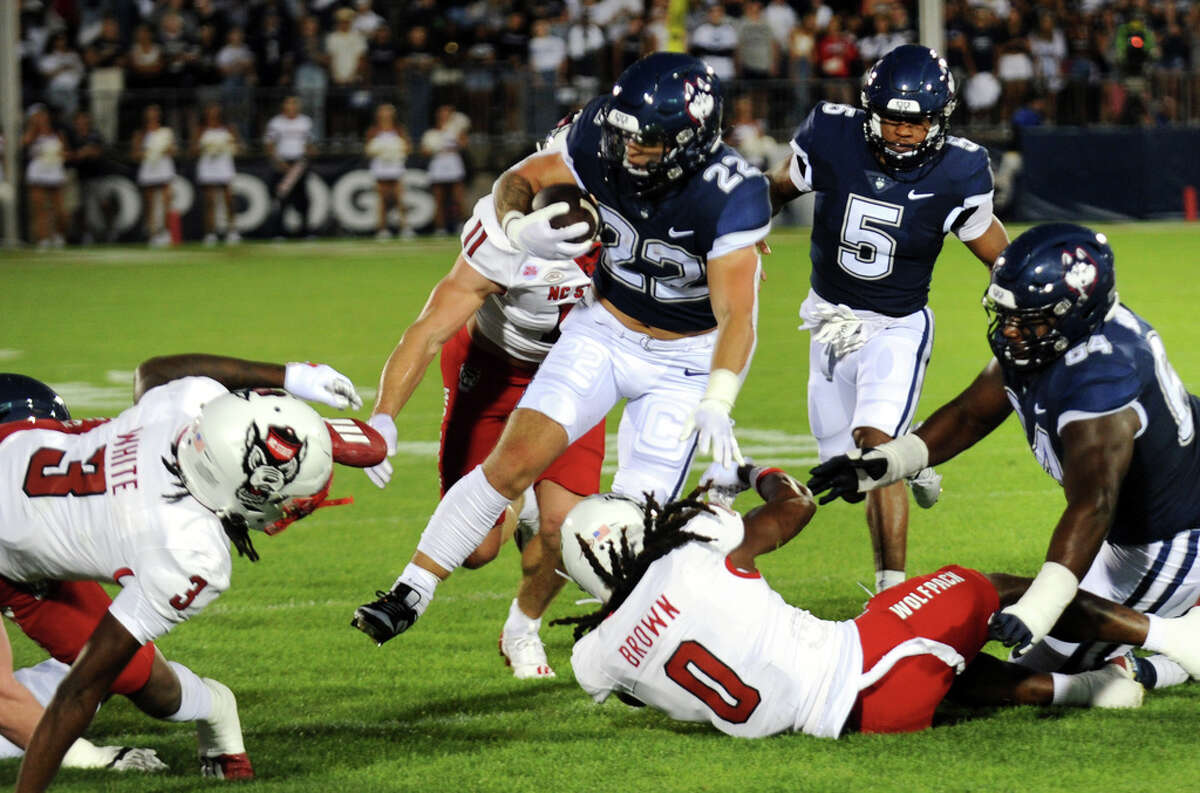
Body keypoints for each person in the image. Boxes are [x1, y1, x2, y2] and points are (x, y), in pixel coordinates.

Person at [351, 53, 770, 646]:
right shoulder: (599, 138)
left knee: (630, 525)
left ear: (690, 138)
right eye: (623, 135)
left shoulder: (732, 195)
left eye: (645, 141)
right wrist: (520, 226)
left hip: (682, 361)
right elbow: (517, 179)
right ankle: (410, 589)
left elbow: (738, 315)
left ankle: (623, 640)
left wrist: (719, 398)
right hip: (599, 331)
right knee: (512, 461)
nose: (627, 150)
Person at [807, 223, 1200, 690]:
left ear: (1073, 314)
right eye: (1006, 313)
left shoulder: (1103, 382)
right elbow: (972, 413)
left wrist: (1039, 607)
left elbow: (1093, 506)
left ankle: (1151, 666)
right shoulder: (1055, 336)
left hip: (1170, 536)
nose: (1010, 329)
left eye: (1027, 319)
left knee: (1041, 660)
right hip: (1142, 520)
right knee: (1042, 633)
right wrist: (885, 462)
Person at [556, 461, 1200, 738]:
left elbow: (627, 653)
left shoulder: (597, 659)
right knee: (984, 586)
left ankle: (1087, 691)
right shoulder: (695, 549)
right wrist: (749, 473)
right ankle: (1172, 639)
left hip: (851, 720)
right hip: (862, 668)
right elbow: (796, 504)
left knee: (929, 653)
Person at [0, 355, 377, 792]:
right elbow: (79, 691)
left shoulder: (182, 408)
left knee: (139, 678)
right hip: (30, 533)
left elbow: (153, 372)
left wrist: (293, 380)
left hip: (30, 528)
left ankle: (215, 705)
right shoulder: (188, 551)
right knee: (92, 678)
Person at [766, 44, 1010, 594]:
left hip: (895, 326)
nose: (904, 133)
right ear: (871, 112)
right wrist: (741, 237)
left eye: (917, 122)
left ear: (940, 120)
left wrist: (1017, 282)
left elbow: (995, 249)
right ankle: (918, 459)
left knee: (876, 453)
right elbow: (774, 190)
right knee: (846, 476)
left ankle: (891, 594)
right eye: (894, 120)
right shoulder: (831, 135)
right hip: (828, 321)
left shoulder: (960, 170)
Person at [265, 95, 318, 239]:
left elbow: (309, 143)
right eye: (289, 103)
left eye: (295, 103)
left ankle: (305, 230)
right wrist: (280, 163)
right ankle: (279, 232)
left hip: (299, 164)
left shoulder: (305, 122)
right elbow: (270, 145)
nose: (292, 106)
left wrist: (310, 153)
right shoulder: (276, 123)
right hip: (283, 163)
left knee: (304, 198)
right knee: (282, 198)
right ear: (284, 106)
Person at [192, 102, 242, 245]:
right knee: (209, 201)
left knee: (229, 200)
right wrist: (206, 148)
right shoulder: (201, 129)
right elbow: (193, 150)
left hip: (224, 165)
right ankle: (210, 233)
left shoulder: (228, 128)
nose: (212, 113)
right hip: (208, 165)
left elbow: (238, 147)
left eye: (215, 110)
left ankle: (232, 231)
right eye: (210, 110)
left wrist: (229, 147)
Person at [21, 104, 69, 250]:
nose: (41, 118)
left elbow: (65, 152)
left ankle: (58, 236)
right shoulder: (31, 133)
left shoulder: (57, 133)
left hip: (55, 171)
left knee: (60, 210)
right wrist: (33, 128)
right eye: (37, 116)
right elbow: (24, 144)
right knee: (39, 209)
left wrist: (59, 155)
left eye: (43, 115)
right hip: (38, 172)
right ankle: (42, 239)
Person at [131, 104, 177, 248]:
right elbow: (135, 154)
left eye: (155, 113)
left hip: (163, 168)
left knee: (165, 202)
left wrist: (165, 150)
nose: (152, 115)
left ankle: (165, 233)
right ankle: (152, 234)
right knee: (150, 204)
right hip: (149, 168)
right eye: (150, 113)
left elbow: (172, 150)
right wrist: (148, 153)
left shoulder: (165, 132)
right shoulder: (141, 133)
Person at [364, 103, 411, 240]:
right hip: (380, 167)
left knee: (400, 198)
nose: (386, 115)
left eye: (388, 112)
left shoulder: (399, 129)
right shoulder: (373, 130)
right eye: (383, 112)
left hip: (396, 167)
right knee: (382, 199)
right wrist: (380, 151)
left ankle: (405, 227)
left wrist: (396, 152)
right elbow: (368, 150)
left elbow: (407, 147)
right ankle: (382, 229)